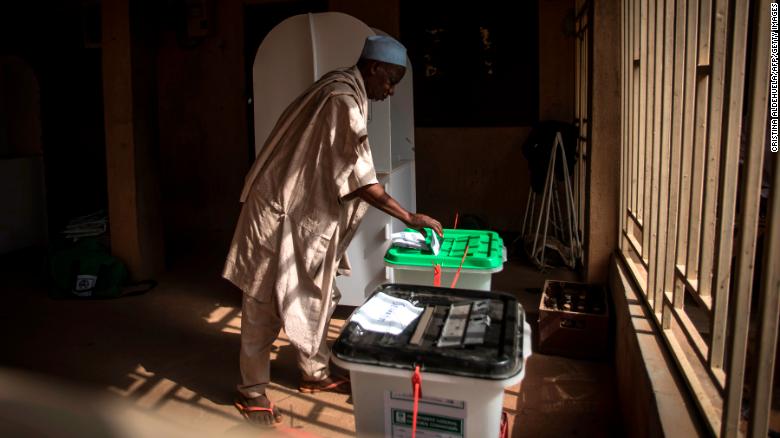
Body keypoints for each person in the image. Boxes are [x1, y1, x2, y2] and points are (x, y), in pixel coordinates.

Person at [223, 35, 443, 426]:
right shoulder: (342, 99)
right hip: (279, 208)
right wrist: (409, 217)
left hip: (304, 208)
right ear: (373, 68)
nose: (390, 91)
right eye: (390, 80)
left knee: (319, 291)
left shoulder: (341, 85)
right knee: (263, 298)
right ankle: (251, 390)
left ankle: (314, 374)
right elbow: (361, 180)